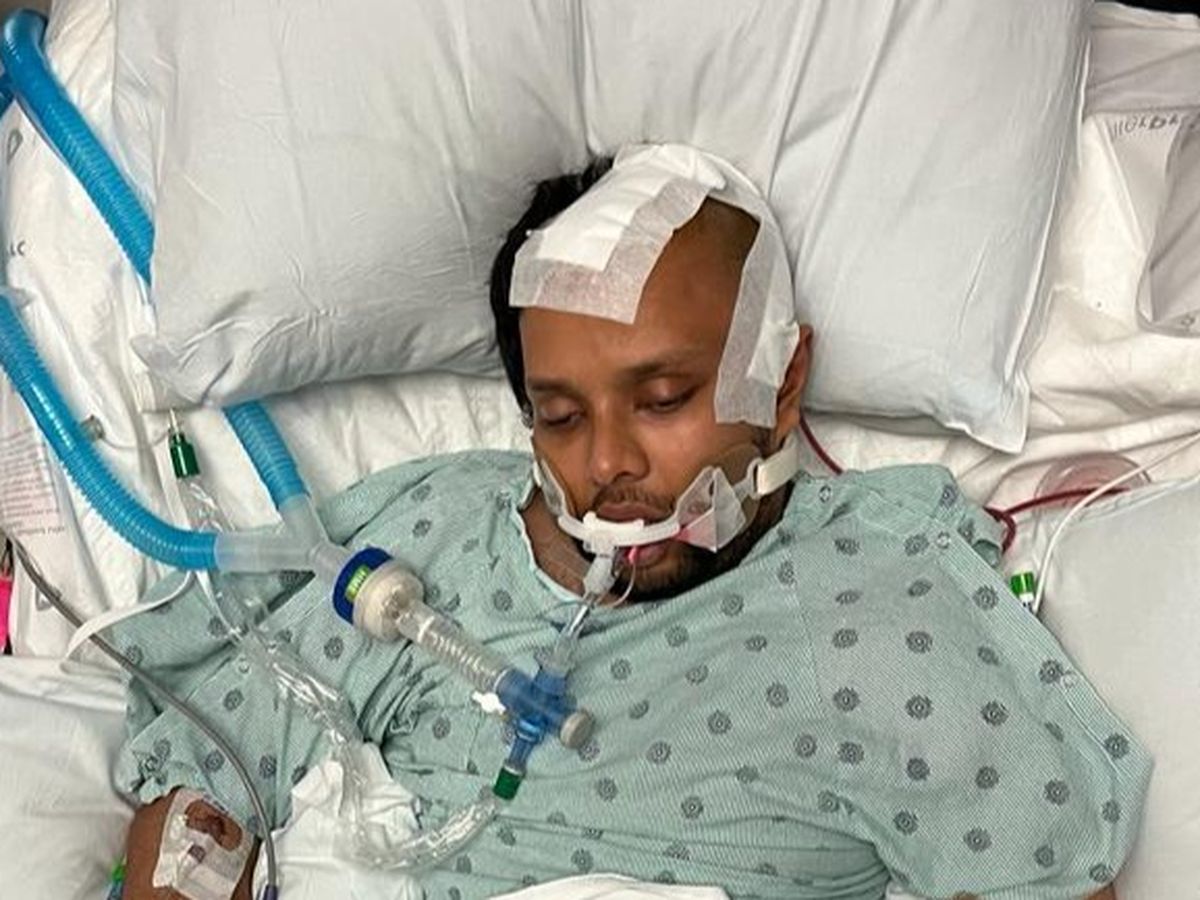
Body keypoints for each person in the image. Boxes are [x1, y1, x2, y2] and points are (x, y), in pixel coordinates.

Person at [117, 145, 1146, 900]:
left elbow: (1043, 877)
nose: (608, 463)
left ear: (782, 384)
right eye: (562, 416)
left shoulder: (888, 602)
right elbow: (211, 782)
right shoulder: (431, 548)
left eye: (662, 400)